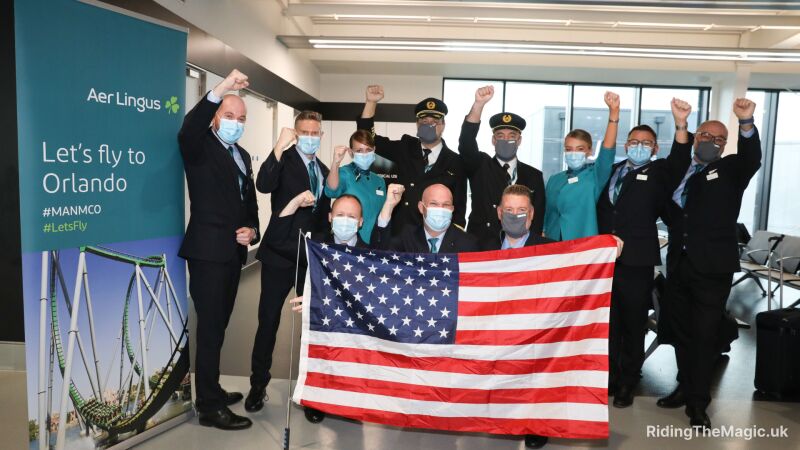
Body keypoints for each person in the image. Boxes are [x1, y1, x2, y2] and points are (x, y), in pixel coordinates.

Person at [656, 98, 761, 429]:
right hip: (680, 264)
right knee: (682, 332)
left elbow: (751, 157)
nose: (712, 142)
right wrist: (681, 124)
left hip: (712, 268)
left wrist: (746, 122)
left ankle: (698, 403)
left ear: (725, 144)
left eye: (719, 139)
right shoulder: (680, 170)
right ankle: (683, 387)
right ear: (696, 137)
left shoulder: (731, 169)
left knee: (704, 335)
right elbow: (672, 199)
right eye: (706, 136)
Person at [177, 69, 259, 430]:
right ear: (214, 117)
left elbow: (249, 202)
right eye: (229, 116)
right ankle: (209, 406)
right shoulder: (199, 146)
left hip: (233, 255)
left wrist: (252, 230)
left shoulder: (241, 154)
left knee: (220, 326)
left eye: (241, 119)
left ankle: (211, 387)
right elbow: (187, 129)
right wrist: (221, 89)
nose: (236, 123)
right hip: (208, 253)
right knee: (209, 329)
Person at [247, 110, 332, 412]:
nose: (310, 137)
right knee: (268, 320)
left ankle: (311, 392)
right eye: (304, 132)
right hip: (279, 254)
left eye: (315, 132)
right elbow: (264, 184)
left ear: (321, 135)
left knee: (312, 325)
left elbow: (323, 216)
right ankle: (258, 386)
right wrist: (278, 147)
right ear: (296, 133)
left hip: (310, 258)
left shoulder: (322, 169)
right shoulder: (284, 159)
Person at [595, 123, 673, 408]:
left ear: (654, 148)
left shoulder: (659, 174)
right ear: (626, 145)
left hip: (637, 260)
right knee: (610, 322)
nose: (638, 145)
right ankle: (611, 375)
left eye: (646, 142)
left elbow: (677, 163)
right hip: (605, 260)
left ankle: (629, 379)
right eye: (633, 141)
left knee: (633, 321)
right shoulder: (612, 171)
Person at [284, 193, 372, 424]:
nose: (346, 220)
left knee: (351, 358)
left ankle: (347, 401)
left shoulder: (370, 254)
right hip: (319, 320)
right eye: (340, 214)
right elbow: (278, 243)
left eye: (352, 216)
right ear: (330, 217)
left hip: (353, 323)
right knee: (318, 358)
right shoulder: (314, 246)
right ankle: (315, 401)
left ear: (361, 221)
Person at [358, 85, 467, 234]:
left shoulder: (456, 162)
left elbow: (459, 211)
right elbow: (368, 140)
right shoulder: (405, 147)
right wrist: (371, 103)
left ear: (443, 125)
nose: (428, 125)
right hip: (400, 237)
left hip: (436, 239)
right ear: (417, 124)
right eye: (424, 121)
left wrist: (451, 245)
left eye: (434, 121)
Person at [459, 85, 546, 246]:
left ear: (519, 140)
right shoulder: (481, 166)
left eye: (511, 136)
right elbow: (466, 143)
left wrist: (533, 251)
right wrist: (478, 105)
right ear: (493, 140)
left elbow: (537, 216)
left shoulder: (534, 175)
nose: (506, 140)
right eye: (500, 136)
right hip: (482, 245)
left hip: (521, 247)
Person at [543, 92, 619, 241]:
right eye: (569, 149)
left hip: (581, 245)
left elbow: (607, 149)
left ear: (589, 151)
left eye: (580, 149)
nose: (573, 153)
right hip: (552, 242)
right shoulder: (554, 179)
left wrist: (614, 113)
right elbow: (548, 213)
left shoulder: (595, 176)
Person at [371, 183, 479, 253]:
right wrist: (388, 205)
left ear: (452, 209)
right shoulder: (406, 237)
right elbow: (379, 253)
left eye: (446, 205)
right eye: (434, 204)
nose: (440, 209)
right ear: (421, 208)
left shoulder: (468, 244)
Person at [324, 130, 386, 244]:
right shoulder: (345, 173)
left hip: (375, 242)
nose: (364, 154)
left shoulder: (379, 181)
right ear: (351, 152)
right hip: (352, 241)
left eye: (368, 150)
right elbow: (331, 191)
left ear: (374, 150)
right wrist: (335, 163)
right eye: (359, 151)